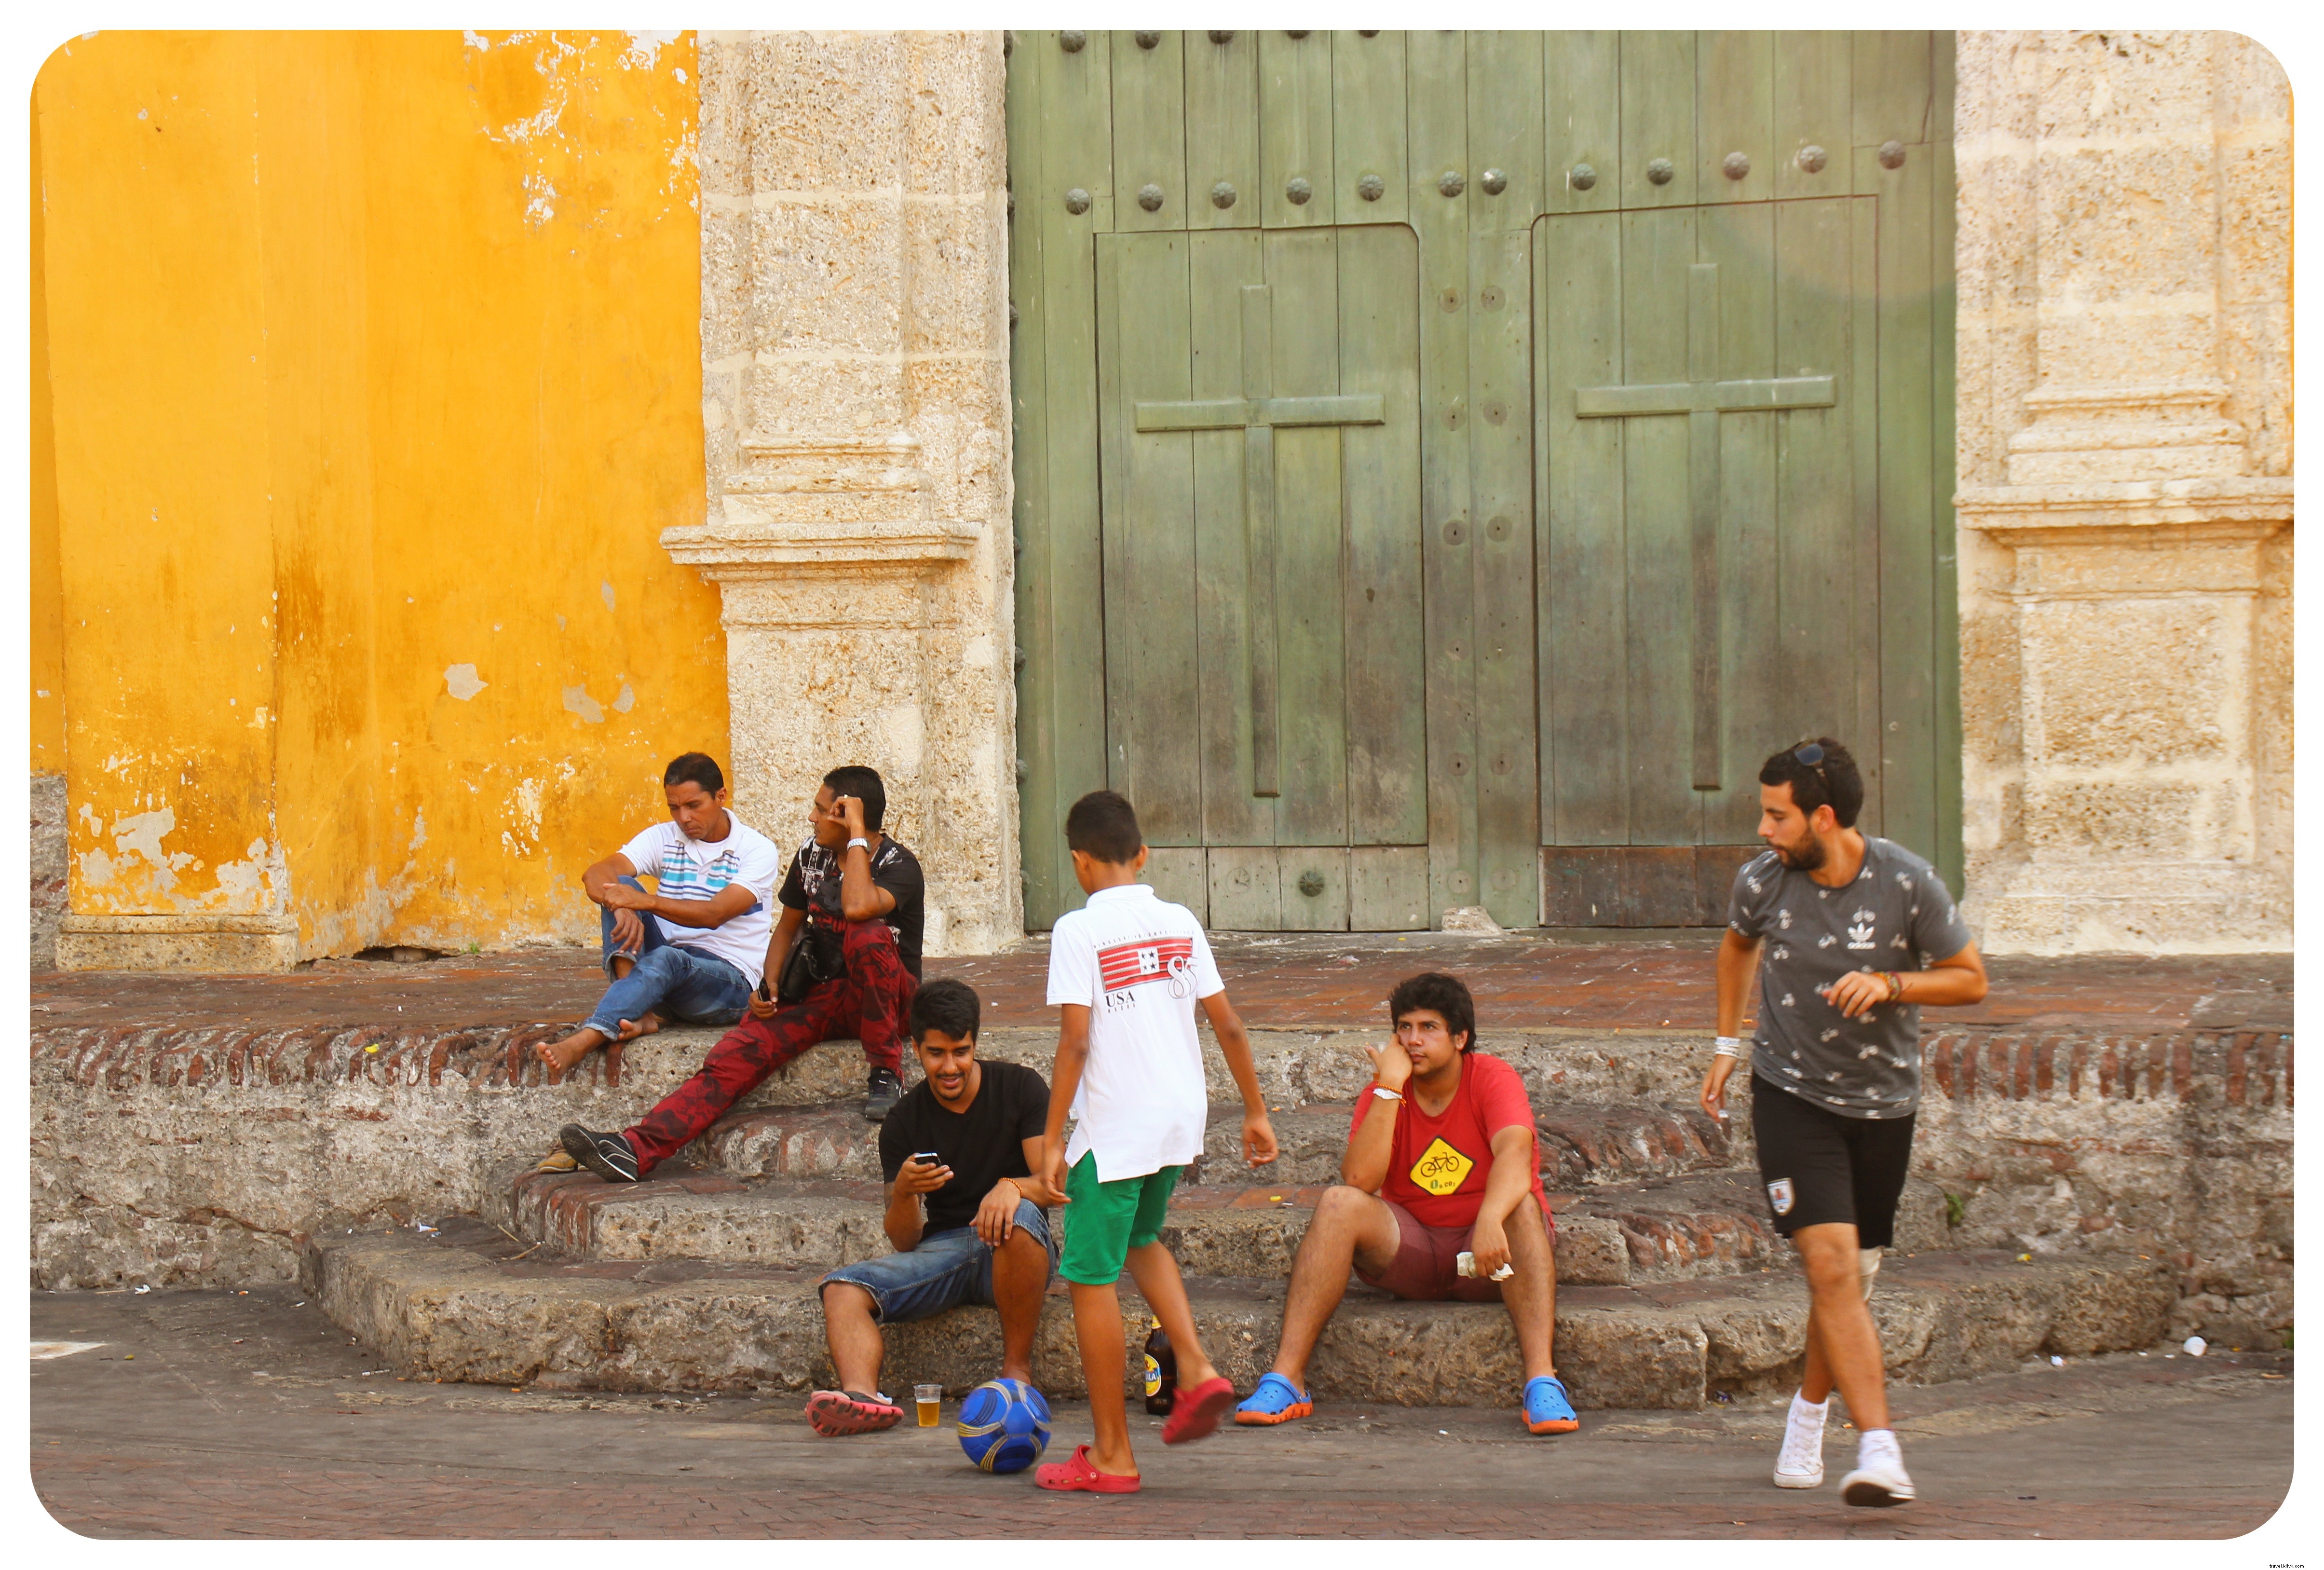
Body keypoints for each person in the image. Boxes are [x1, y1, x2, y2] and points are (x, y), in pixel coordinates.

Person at [1700, 737, 1987, 1508]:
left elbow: (1970, 979)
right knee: (1829, 1267)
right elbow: (1734, 952)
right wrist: (1727, 1044)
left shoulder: (1905, 881)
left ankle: (1807, 1409)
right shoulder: (1762, 880)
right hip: (1789, 1094)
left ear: (1821, 817)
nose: (1762, 830)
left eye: (1775, 815)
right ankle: (1881, 1449)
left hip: (1882, 1106)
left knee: (1848, 1282)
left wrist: (1892, 982)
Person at [1031, 790, 1278, 1494]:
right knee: (1142, 1241)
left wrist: (1052, 1140)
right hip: (1179, 1117)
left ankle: (1112, 1452)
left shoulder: (1078, 929)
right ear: (1141, 855)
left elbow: (1075, 1041)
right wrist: (1255, 1110)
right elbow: (1227, 1024)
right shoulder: (1178, 919)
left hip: (1115, 1125)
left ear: (1078, 861)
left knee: (1088, 1277)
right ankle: (1195, 1366)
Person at [1233, 971, 1580, 1436]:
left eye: (1428, 1028)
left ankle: (1543, 1381)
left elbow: (1516, 1155)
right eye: (1404, 1027)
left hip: (1491, 1257)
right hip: (1416, 1249)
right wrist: (1388, 1089)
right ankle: (1287, 1378)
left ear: (1460, 1038)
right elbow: (1360, 1180)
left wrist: (1489, 1219)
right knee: (1338, 1203)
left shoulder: (1492, 1078)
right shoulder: (1382, 1091)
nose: (1413, 1040)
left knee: (1522, 1208)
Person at [558, 765, 927, 1183]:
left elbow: (859, 908)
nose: (812, 817)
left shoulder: (899, 864)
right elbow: (788, 926)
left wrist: (858, 834)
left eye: (822, 810)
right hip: (824, 994)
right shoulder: (811, 855)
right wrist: (769, 987)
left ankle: (884, 1070)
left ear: (848, 816)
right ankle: (637, 1149)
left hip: (888, 1002)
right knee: (733, 1055)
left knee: (866, 935)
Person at [803, 978, 1061, 1435]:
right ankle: (862, 1397)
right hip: (943, 1251)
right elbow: (904, 1240)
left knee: (1020, 1218)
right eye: (936, 1053)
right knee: (841, 1287)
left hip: (1015, 1245)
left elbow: (1054, 1184)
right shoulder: (903, 1122)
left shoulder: (1019, 1087)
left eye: (960, 1051)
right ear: (916, 1050)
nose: (950, 1066)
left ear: (975, 1045)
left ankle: (1016, 1374)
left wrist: (1012, 1187)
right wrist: (904, 1192)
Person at [536, 753, 781, 1078]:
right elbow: (597, 872)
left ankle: (586, 1038)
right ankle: (641, 1008)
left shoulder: (756, 849)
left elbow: (714, 914)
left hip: (728, 981)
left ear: (721, 796)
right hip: (667, 968)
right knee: (619, 883)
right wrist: (620, 903)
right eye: (674, 808)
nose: (684, 817)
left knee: (665, 953)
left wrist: (644, 902)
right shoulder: (664, 837)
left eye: (694, 805)